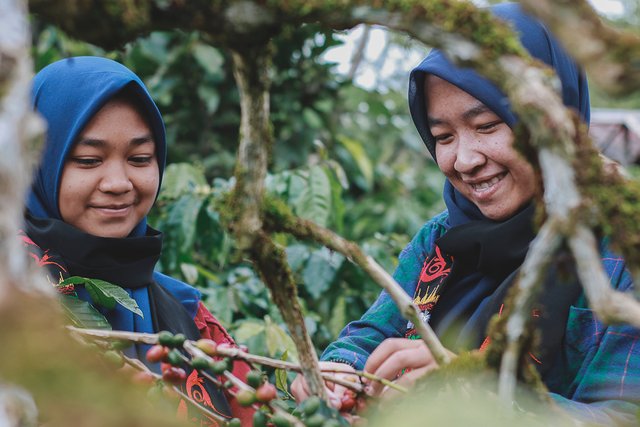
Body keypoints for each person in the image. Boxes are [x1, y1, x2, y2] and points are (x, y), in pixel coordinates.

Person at [292, 4, 640, 424]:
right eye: (443, 136)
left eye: (488, 125)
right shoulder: (442, 238)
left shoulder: (623, 250)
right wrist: (337, 372)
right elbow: (371, 334)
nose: (464, 160)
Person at [25, 56, 252, 426]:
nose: (118, 182)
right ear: (35, 163)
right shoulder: (13, 294)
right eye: (88, 160)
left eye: (140, 158)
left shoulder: (189, 316)